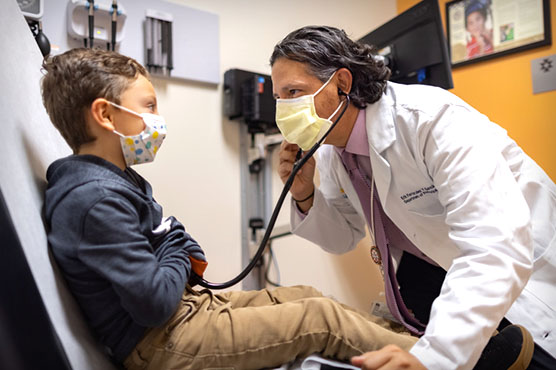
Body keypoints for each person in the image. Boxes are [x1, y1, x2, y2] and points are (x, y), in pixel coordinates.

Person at [41, 47, 423, 370]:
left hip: (187, 311)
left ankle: (413, 346)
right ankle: (441, 363)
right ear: (105, 115)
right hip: (161, 339)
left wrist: (173, 242)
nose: (157, 119)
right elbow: (156, 301)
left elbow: (168, 253)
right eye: (149, 105)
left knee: (306, 294)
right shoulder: (95, 198)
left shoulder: (116, 180)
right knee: (321, 319)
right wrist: (177, 245)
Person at [270, 25, 556, 369]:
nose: (284, 108)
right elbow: (343, 236)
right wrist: (304, 195)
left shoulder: (429, 119)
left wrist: (434, 357)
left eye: (294, 92)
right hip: (434, 273)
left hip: (519, 275)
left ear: (342, 84)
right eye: (278, 97)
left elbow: (495, 244)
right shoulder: (333, 149)